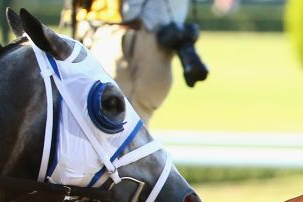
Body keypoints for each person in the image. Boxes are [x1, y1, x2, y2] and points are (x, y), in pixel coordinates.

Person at [69, 0, 206, 125]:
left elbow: (129, 12)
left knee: (113, 120)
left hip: (120, 33)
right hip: (125, 35)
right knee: (119, 123)